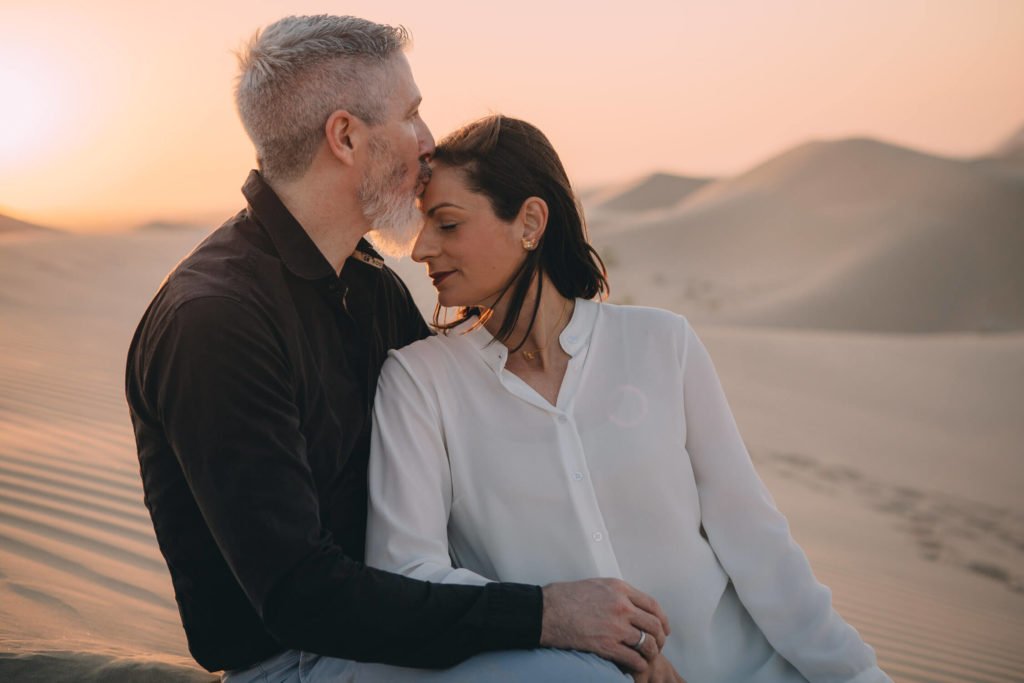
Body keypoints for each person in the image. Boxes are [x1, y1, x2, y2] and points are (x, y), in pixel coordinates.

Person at [125, 15, 670, 683]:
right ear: (346, 136)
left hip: (411, 629)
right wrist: (546, 615)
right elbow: (302, 598)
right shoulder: (214, 321)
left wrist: (599, 619)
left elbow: (470, 455)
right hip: (297, 662)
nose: (428, 143)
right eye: (412, 114)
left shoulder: (368, 287)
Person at [365, 115, 895, 683]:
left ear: (531, 221)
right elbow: (408, 574)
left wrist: (858, 675)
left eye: (447, 224)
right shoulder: (419, 384)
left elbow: (756, 539)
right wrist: (577, 633)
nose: (421, 249)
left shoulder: (663, 344)